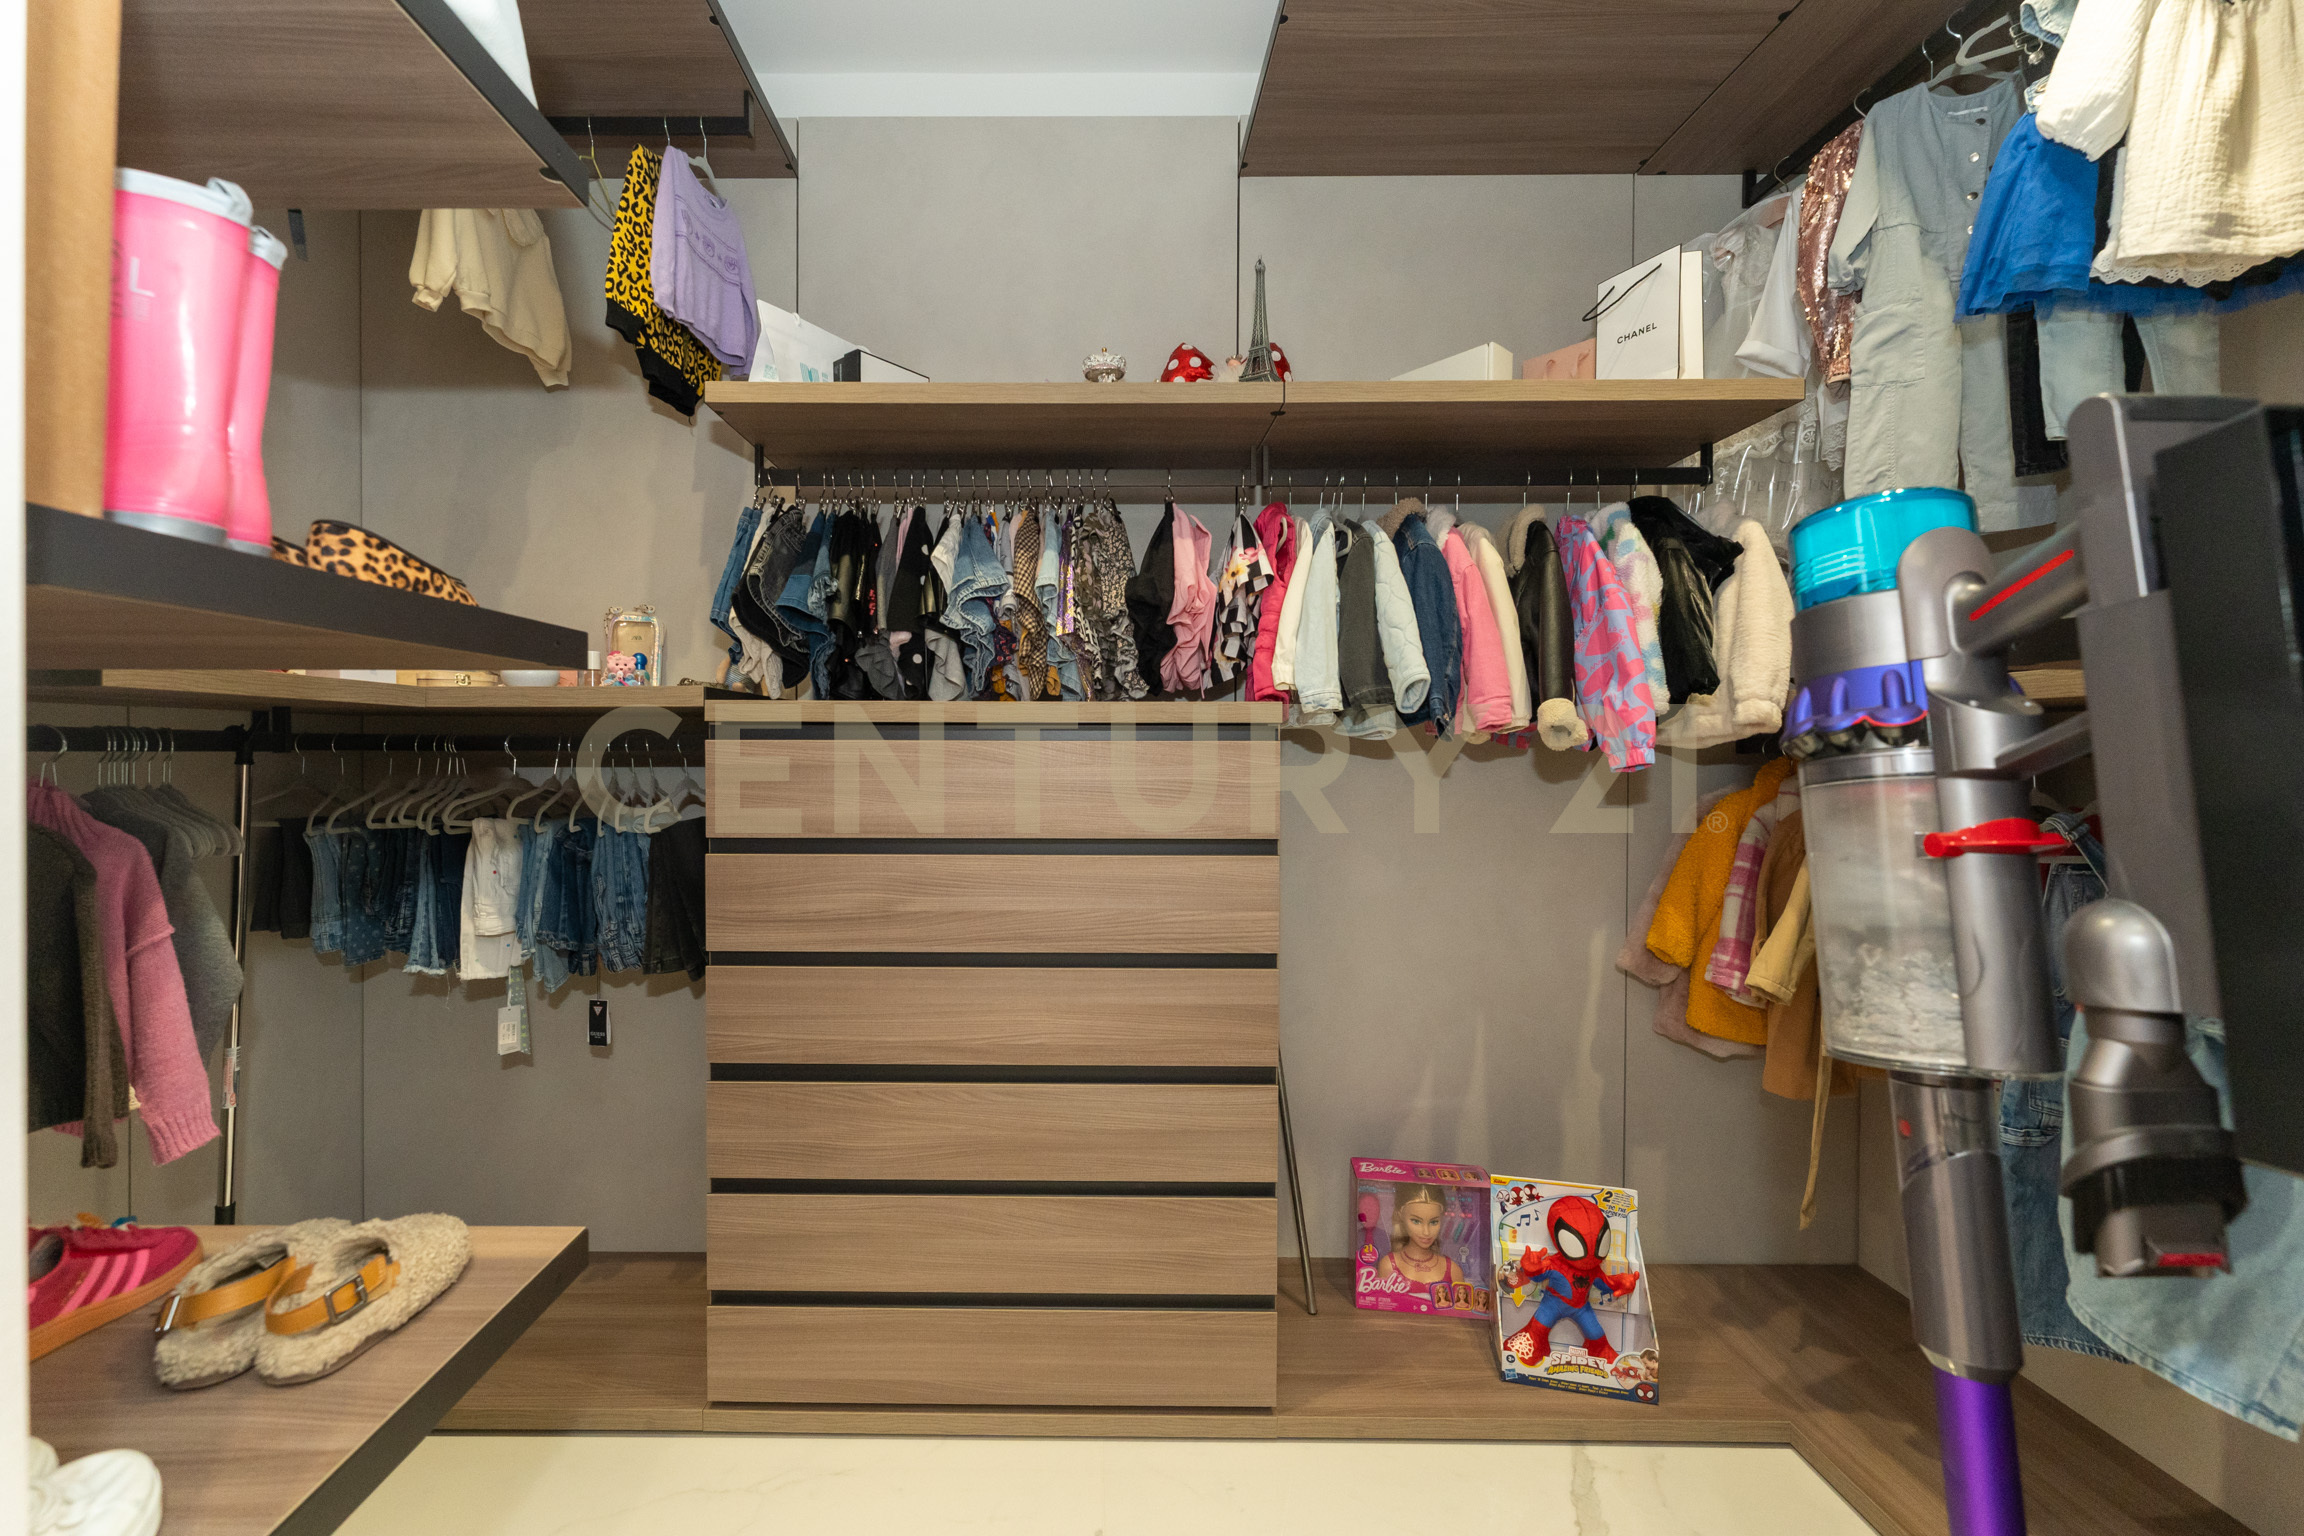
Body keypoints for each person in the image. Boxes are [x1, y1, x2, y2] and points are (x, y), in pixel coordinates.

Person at [1375, 1184, 1464, 1290]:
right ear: (1400, 1216)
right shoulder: (1389, 1266)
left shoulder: (1453, 1271)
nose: (1426, 1232)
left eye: (1434, 1222)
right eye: (1416, 1221)